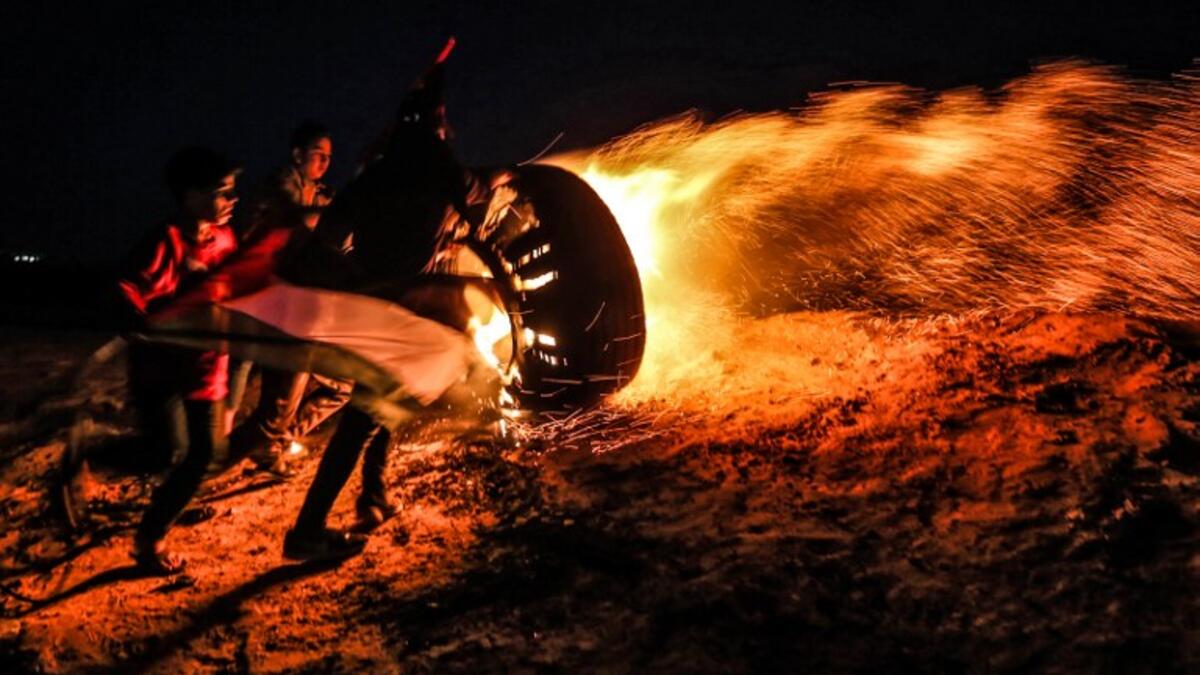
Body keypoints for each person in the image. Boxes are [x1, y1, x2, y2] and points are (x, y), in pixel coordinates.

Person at [117, 146, 241, 575]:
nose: (231, 201)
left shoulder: (225, 240)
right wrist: (136, 316)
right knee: (169, 451)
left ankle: (153, 530)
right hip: (162, 371)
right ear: (190, 196)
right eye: (222, 193)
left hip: (208, 368)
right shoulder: (165, 242)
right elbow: (127, 288)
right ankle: (95, 462)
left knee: (207, 454)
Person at [228, 122, 353, 478]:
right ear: (298, 154)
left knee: (340, 386)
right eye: (318, 155)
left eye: (329, 157)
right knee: (239, 394)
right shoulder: (282, 184)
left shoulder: (320, 191)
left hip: (295, 306)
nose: (325, 163)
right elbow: (293, 216)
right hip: (259, 301)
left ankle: (275, 444)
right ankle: (197, 473)